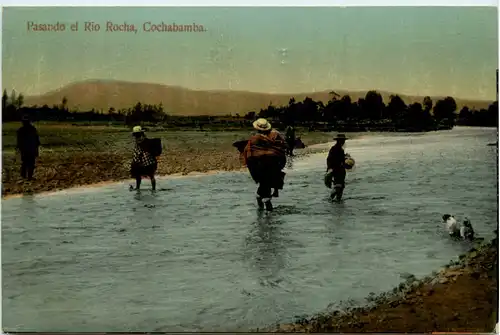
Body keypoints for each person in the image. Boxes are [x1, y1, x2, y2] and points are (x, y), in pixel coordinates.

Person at [243, 118, 287, 211]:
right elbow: (282, 148)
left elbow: (249, 153)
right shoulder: (275, 135)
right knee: (266, 184)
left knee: (264, 184)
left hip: (260, 166)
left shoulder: (254, 139)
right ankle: (267, 206)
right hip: (270, 165)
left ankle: (262, 205)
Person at [130, 126, 157, 191]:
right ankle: (153, 189)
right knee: (151, 175)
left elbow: (139, 152)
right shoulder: (144, 139)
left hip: (142, 159)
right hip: (149, 160)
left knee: (138, 175)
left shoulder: (139, 140)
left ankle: (138, 188)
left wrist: (137, 160)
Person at [16, 115, 41, 180]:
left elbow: (19, 141)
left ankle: (24, 175)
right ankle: (29, 176)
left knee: (25, 162)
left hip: (25, 149)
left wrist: (19, 147)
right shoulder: (32, 129)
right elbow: (36, 139)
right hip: (31, 148)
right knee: (30, 163)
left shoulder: (20, 130)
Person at [326, 134, 348, 202]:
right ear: (339, 141)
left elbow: (329, 159)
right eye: (343, 140)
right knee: (339, 186)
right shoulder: (337, 149)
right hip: (338, 170)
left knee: (339, 186)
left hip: (336, 170)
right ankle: (332, 198)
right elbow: (331, 159)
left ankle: (335, 200)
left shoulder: (336, 149)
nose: (344, 142)